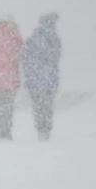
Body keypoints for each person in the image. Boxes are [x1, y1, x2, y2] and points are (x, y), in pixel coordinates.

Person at [22, 13, 62, 141]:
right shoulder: (55, 39)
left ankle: (41, 130)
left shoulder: (32, 39)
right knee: (47, 107)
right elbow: (55, 57)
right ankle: (46, 131)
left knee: (38, 107)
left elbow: (25, 58)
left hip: (35, 81)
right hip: (49, 80)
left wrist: (29, 73)